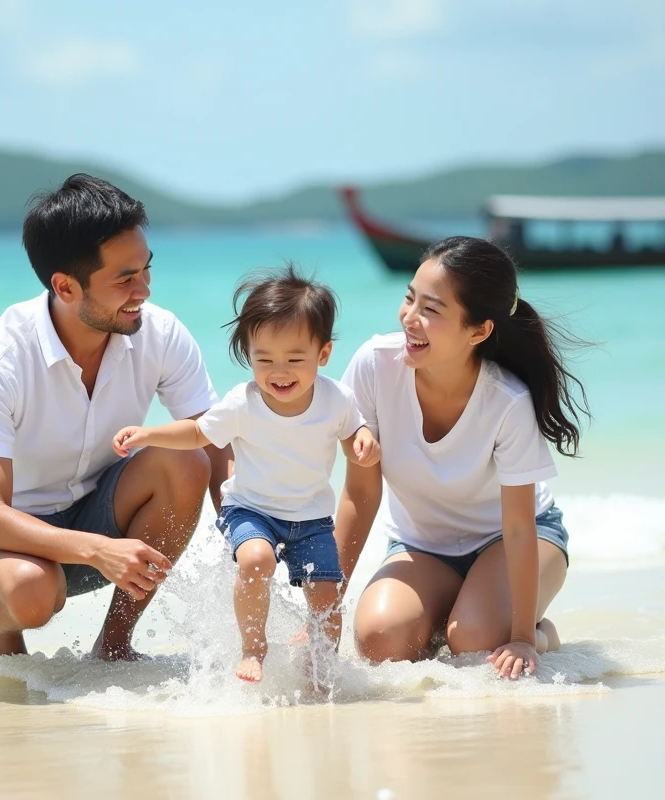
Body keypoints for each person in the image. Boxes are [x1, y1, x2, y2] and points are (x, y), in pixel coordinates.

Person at [0, 174, 230, 659]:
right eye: (125, 279)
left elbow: (215, 439)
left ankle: (113, 646)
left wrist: (249, 534)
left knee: (187, 460)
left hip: (94, 511)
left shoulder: (161, 334)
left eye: (146, 269)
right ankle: (4, 629)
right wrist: (97, 551)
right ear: (66, 287)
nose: (145, 290)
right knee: (30, 590)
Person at [335, 236, 588, 680]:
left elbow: (518, 525)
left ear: (478, 330)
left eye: (431, 311)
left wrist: (524, 638)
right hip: (421, 546)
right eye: (409, 298)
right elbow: (359, 493)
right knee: (379, 641)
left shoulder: (506, 400)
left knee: (474, 643)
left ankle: (537, 630)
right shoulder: (373, 366)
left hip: (514, 539)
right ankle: (458, 611)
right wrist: (326, 612)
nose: (410, 318)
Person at [112, 266, 380, 682]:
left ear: (323, 355)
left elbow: (355, 430)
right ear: (248, 355)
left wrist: (364, 440)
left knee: (327, 592)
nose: (279, 372)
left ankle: (322, 668)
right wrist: (150, 433)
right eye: (264, 359)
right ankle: (253, 649)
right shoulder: (243, 401)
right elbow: (199, 431)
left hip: (310, 518)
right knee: (255, 559)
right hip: (251, 509)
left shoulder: (337, 399)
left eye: (295, 359)